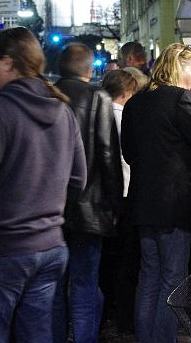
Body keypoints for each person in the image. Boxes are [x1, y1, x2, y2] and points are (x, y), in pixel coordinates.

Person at [0, 27, 86, 343]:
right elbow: (78, 180)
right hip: (50, 245)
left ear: (9, 62)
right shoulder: (63, 111)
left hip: (0, 248)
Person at [121, 43, 191, 343]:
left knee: (149, 276)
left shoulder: (136, 102)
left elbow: (129, 153)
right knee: (172, 279)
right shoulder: (179, 98)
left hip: (143, 202)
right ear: (178, 68)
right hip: (174, 204)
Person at [53, 44, 123, 343]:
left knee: (54, 288)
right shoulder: (98, 98)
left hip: (50, 208)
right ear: (90, 68)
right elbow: (108, 155)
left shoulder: (47, 95)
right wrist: (115, 203)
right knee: (84, 284)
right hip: (89, 207)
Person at [100, 69, 140, 333]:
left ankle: (105, 315)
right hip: (126, 194)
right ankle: (125, 320)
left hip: (104, 198)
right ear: (127, 93)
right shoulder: (126, 117)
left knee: (106, 262)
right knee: (126, 262)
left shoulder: (98, 116)